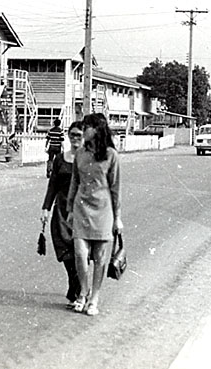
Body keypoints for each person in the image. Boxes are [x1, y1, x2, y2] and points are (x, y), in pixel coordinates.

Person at [67, 113, 122, 316]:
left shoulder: (111, 155)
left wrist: (118, 217)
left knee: (100, 257)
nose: (83, 131)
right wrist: (70, 210)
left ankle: (94, 298)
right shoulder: (80, 154)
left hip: (103, 211)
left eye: (87, 127)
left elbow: (116, 188)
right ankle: (83, 292)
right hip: (81, 208)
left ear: (97, 130)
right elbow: (74, 182)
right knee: (80, 255)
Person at [41, 121, 84, 308]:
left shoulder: (89, 159)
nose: (75, 138)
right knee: (65, 252)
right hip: (61, 211)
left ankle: (77, 292)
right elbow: (53, 185)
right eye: (72, 134)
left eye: (79, 135)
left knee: (80, 253)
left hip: (82, 213)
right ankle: (76, 287)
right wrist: (46, 208)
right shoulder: (60, 159)